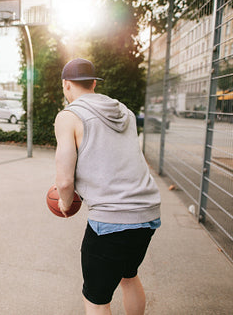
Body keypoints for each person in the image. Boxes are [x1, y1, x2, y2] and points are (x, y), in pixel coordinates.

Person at [54, 58, 161, 315]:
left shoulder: (68, 116)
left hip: (111, 220)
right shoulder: (124, 111)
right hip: (148, 213)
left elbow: (65, 180)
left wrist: (64, 204)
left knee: (96, 298)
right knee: (129, 276)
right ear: (93, 83)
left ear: (66, 85)